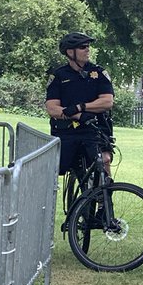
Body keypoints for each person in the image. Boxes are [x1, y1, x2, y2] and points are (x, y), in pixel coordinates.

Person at [45, 32, 115, 178]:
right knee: (60, 167)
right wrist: (77, 115)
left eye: (88, 46)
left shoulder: (98, 72)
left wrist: (81, 107)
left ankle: (105, 197)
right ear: (70, 52)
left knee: (105, 159)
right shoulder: (59, 75)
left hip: (95, 128)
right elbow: (52, 108)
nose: (87, 50)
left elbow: (107, 101)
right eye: (83, 47)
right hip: (68, 130)